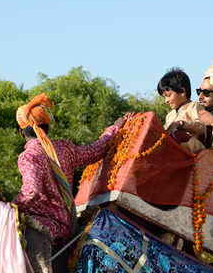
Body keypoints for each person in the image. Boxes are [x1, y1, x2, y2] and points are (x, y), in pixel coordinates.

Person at [13, 93, 130, 247]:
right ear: (46, 128)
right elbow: (96, 150)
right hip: (69, 223)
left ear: (22, 132)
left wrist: (10, 207)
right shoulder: (64, 148)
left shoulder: (28, 157)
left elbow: (31, 192)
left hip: (47, 228)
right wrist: (114, 128)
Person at [157, 68, 206, 153]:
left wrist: (181, 124)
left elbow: (202, 128)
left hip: (194, 151)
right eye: (164, 97)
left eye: (168, 95)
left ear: (182, 91)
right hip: (174, 153)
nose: (166, 101)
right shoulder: (170, 116)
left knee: (178, 135)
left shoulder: (194, 106)